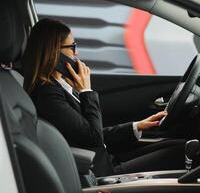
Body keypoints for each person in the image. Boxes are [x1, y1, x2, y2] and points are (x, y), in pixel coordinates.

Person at [22, 18, 185, 176]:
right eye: (72, 46)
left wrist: (137, 126)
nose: (76, 52)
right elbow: (94, 137)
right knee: (180, 151)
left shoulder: (59, 85)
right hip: (100, 174)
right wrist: (86, 91)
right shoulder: (47, 95)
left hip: (106, 160)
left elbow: (88, 131)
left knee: (178, 146)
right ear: (54, 53)